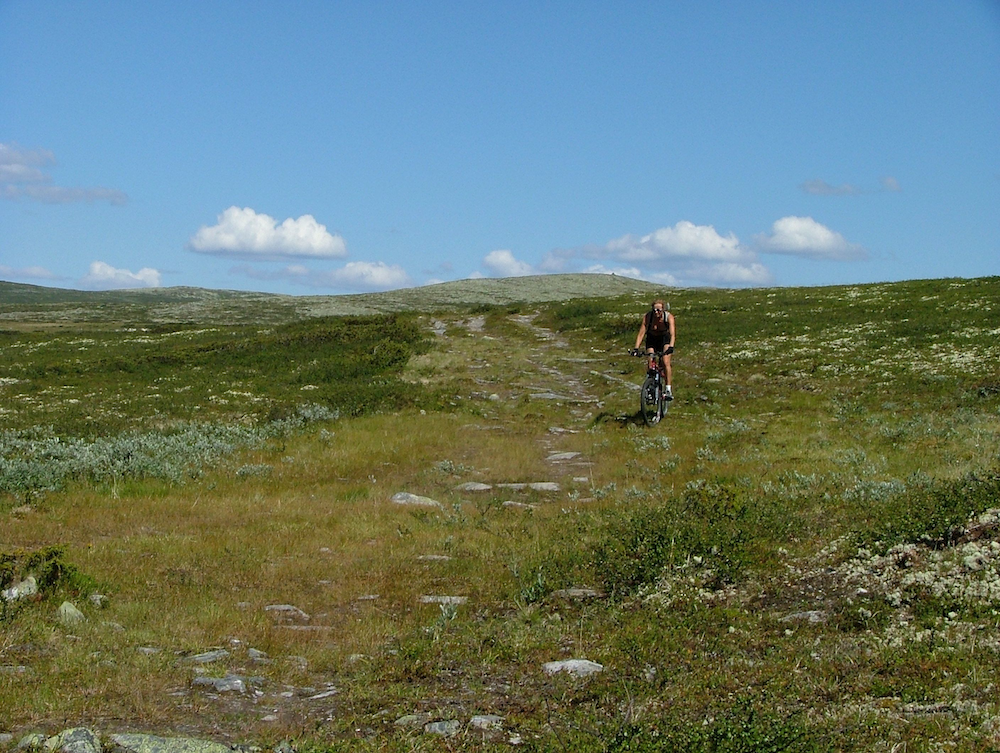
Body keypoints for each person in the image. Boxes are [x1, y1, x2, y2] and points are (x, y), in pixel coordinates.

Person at [633, 299, 675, 400]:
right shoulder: (648, 317)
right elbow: (641, 333)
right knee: (650, 361)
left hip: (664, 339)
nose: (656, 312)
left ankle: (668, 389)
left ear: (663, 310)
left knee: (665, 361)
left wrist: (671, 347)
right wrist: (636, 348)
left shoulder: (668, 317)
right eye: (654, 310)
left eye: (659, 310)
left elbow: (673, 334)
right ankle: (650, 386)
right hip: (652, 339)